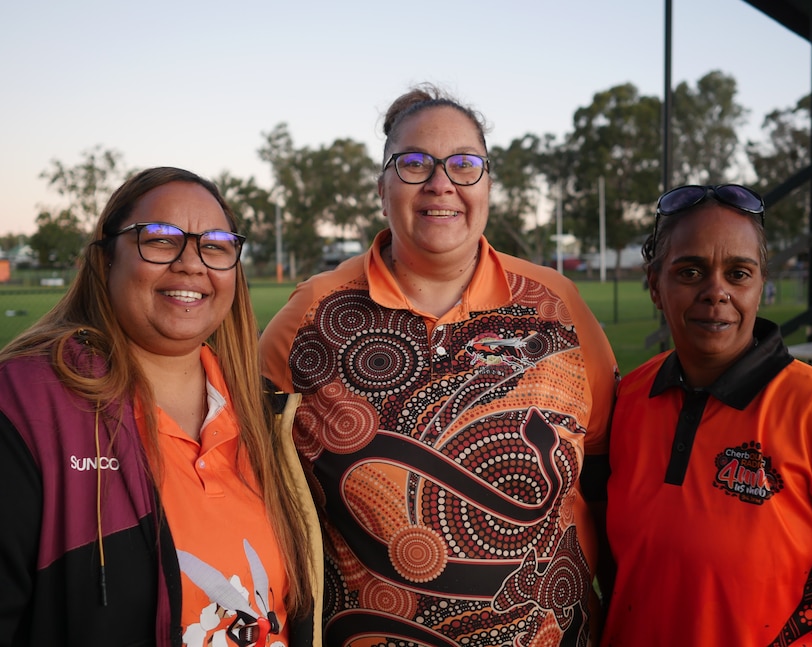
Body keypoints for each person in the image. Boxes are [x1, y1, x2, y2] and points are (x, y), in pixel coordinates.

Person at [260, 84, 619, 646]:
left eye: (464, 164)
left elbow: (604, 472)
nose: (440, 183)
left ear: (488, 185)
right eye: (413, 164)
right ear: (382, 187)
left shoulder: (558, 304)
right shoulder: (312, 314)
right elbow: (246, 467)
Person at [0, 167, 322, 646]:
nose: (192, 264)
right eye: (161, 239)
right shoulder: (26, 405)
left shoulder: (263, 414)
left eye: (215, 245)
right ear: (106, 258)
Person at [601, 184, 812, 646]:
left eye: (738, 273)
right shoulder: (627, 398)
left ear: (760, 286)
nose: (715, 292)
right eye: (690, 271)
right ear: (655, 286)